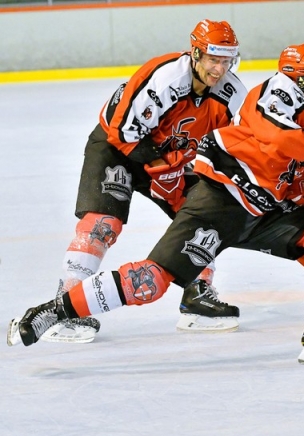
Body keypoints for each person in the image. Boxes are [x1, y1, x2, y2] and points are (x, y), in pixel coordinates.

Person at [7, 43, 304, 364]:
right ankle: (54, 310)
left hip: (270, 213)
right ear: (297, 81)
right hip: (221, 200)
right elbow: (286, 142)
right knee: (153, 282)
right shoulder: (271, 96)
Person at [41, 19, 247, 343]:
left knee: (207, 212)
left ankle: (198, 293)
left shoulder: (232, 95)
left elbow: (245, 140)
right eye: (212, 59)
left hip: (169, 161)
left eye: (226, 60)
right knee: (103, 222)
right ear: (195, 53)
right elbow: (122, 131)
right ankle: (64, 301)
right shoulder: (164, 79)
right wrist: (161, 167)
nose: (219, 69)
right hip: (117, 149)